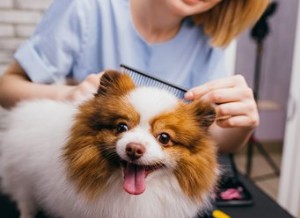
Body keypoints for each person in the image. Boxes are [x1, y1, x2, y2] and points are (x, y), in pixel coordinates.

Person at [0, 0, 269, 153]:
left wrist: (241, 126)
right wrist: (67, 96)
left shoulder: (208, 43)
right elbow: (6, 87)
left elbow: (214, 144)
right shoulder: (87, 8)